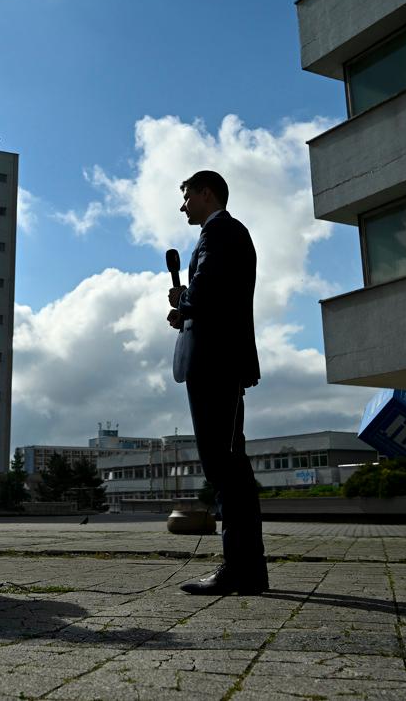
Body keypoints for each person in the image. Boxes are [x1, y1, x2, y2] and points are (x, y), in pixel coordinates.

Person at [167, 170, 268, 595]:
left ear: (206, 193)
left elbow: (208, 291)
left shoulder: (220, 232)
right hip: (221, 363)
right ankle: (247, 569)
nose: (183, 205)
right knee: (230, 465)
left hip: (215, 364)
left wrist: (182, 302)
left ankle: (240, 569)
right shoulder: (224, 234)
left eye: (187, 195)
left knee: (224, 467)